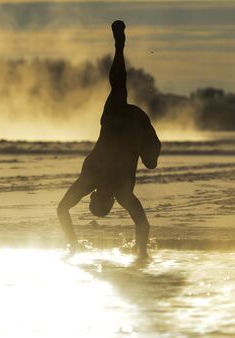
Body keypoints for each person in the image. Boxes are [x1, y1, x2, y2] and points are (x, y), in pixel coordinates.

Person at [57, 20, 161, 260]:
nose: (105, 194)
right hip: (136, 126)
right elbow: (142, 223)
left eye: (101, 198)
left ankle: (119, 46)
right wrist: (141, 254)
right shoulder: (112, 189)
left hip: (122, 123)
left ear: (93, 195)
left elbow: (62, 209)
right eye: (105, 199)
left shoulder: (96, 181)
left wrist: (73, 246)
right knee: (151, 162)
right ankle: (119, 48)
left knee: (118, 88)